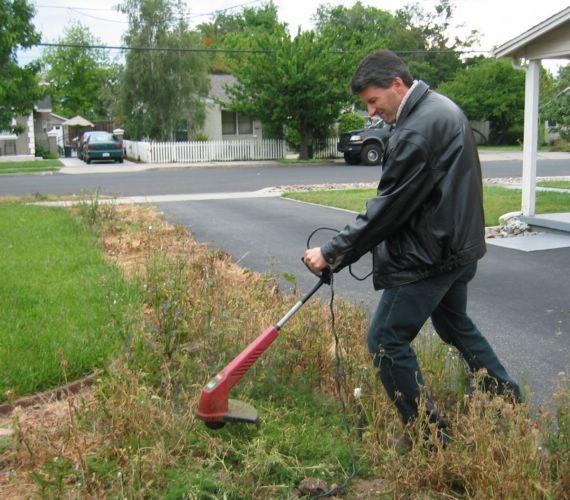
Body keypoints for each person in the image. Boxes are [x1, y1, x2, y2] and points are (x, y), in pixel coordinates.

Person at [303, 50, 520, 446]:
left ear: (398, 85)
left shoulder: (417, 130)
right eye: (366, 104)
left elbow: (388, 209)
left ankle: (429, 437)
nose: (370, 112)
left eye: (373, 101)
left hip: (429, 256)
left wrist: (332, 252)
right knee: (454, 324)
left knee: (385, 340)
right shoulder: (441, 108)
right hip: (457, 246)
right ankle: (507, 399)